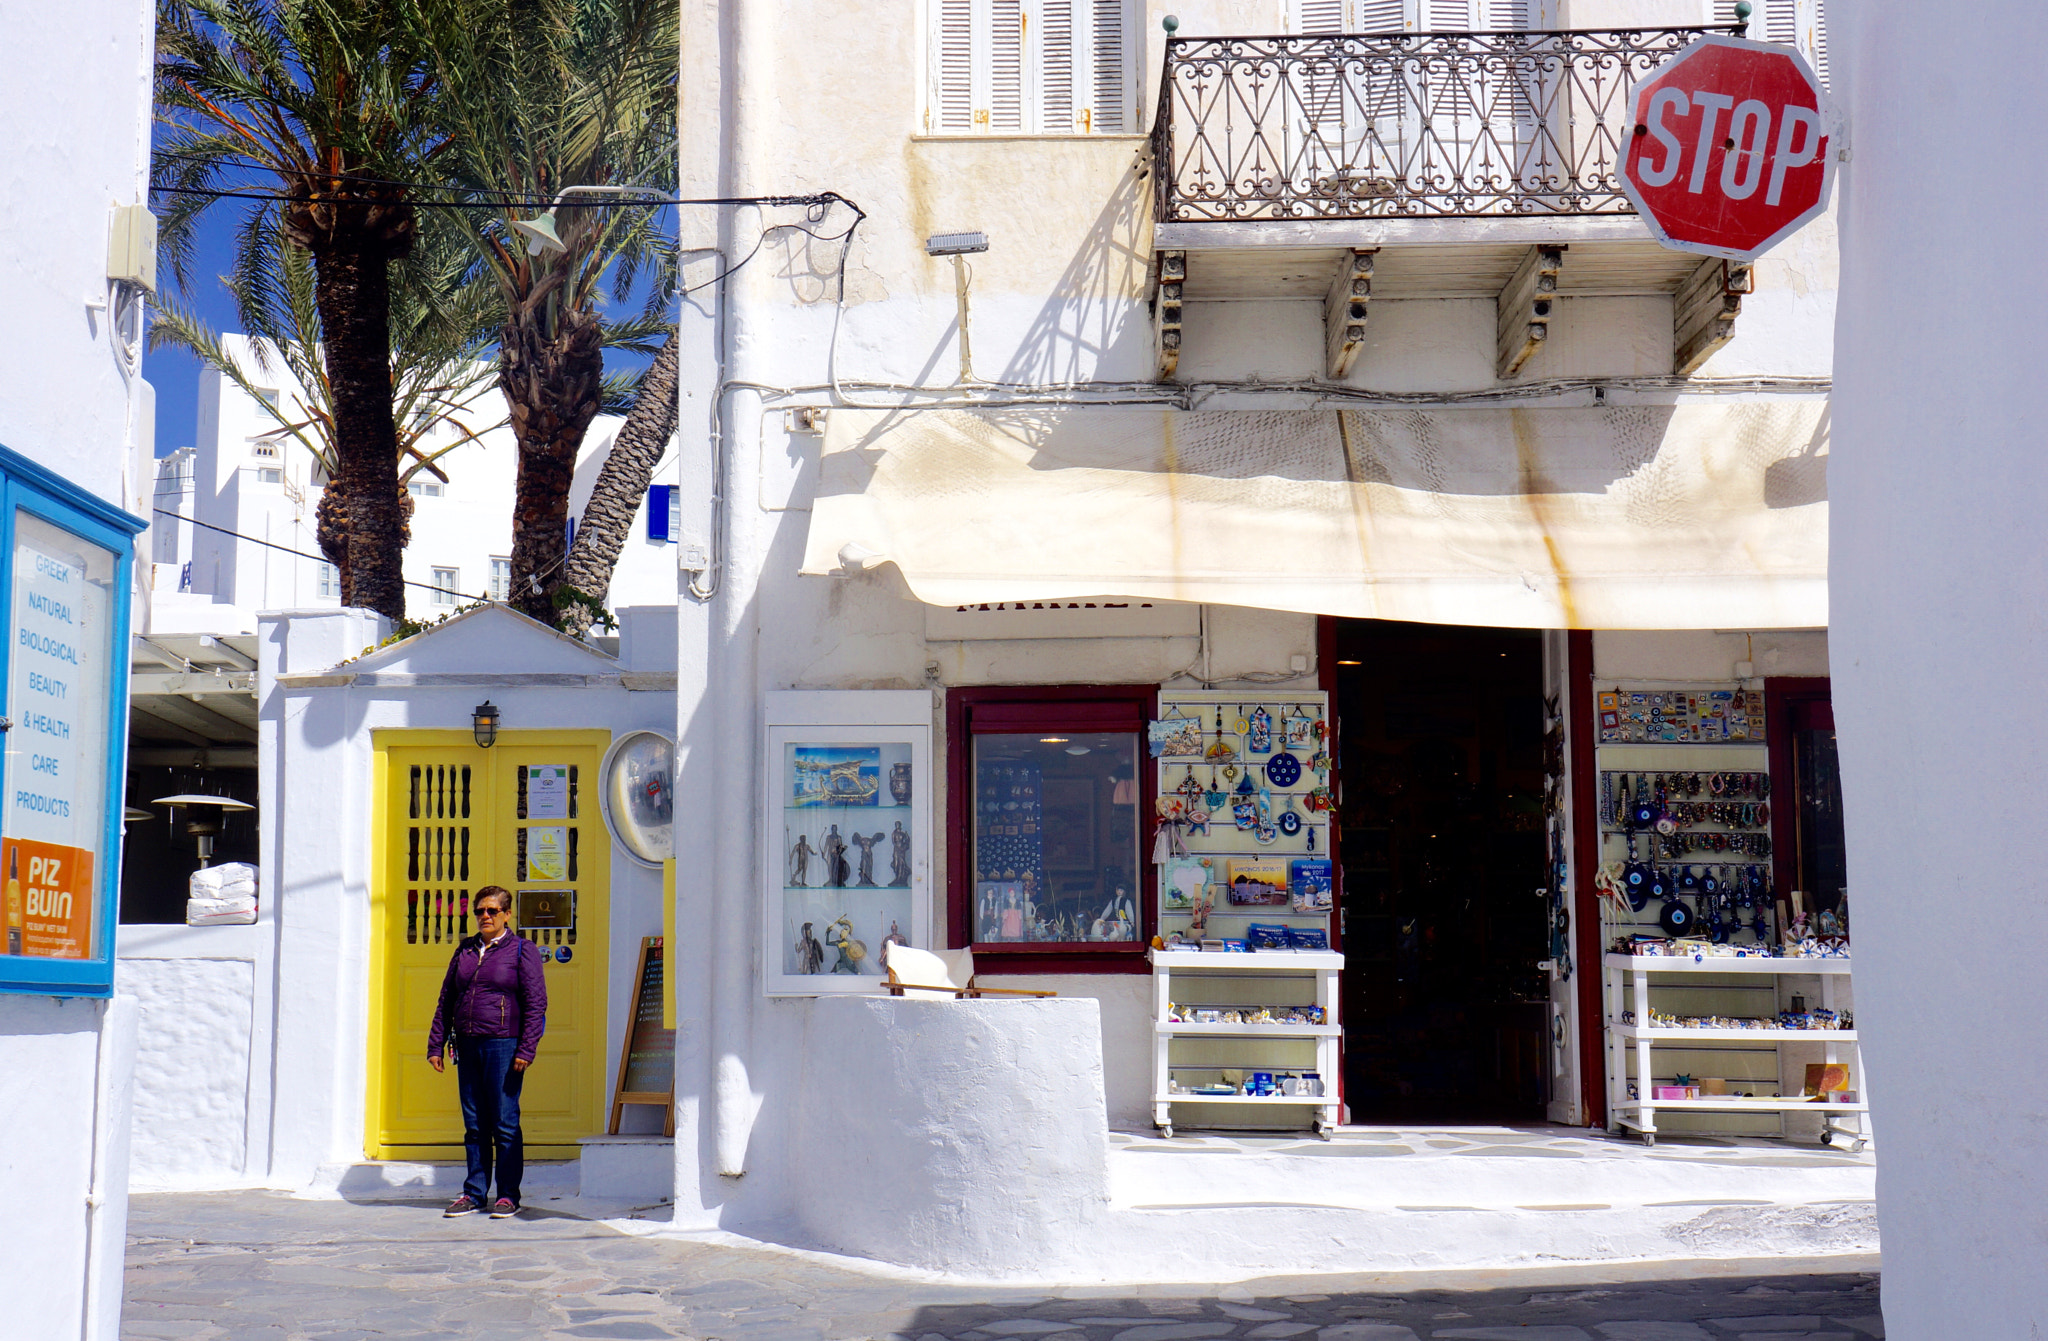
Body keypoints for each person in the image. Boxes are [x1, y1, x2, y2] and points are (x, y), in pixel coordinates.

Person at [427, 886, 546, 1219]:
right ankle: (474, 1193)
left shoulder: (523, 951)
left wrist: (526, 1048)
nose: (485, 917)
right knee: (475, 1124)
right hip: (467, 1043)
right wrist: (435, 1043)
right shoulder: (465, 950)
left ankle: (508, 1195)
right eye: (479, 911)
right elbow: (446, 999)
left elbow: (536, 1004)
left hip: (504, 1045)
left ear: (507, 914)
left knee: (504, 1122)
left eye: (492, 911)